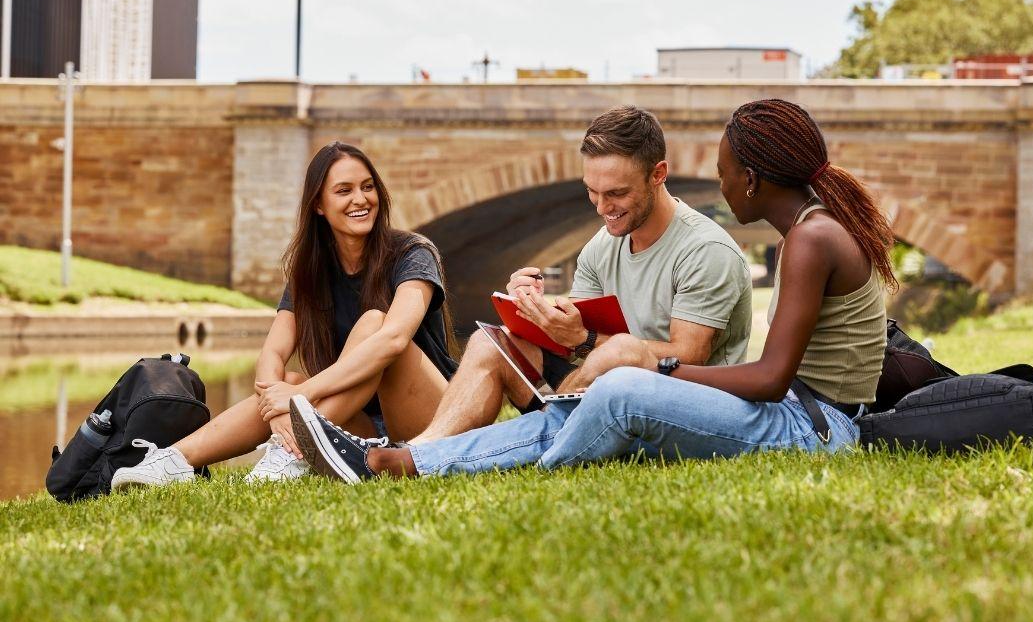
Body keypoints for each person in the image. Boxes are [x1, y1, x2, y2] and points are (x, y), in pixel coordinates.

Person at [289, 98, 893, 481]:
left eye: (725, 170)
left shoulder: (807, 239)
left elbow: (771, 379)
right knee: (594, 381)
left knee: (619, 388)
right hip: (798, 416)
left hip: (815, 428)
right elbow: (770, 378)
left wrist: (645, 368)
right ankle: (406, 459)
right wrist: (577, 337)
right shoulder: (810, 232)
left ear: (753, 179)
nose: (720, 180)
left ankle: (431, 462)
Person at [404, 104, 753, 452]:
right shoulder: (600, 247)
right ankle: (419, 450)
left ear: (658, 174)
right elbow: (579, 344)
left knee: (618, 352)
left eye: (616, 193)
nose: (601, 208)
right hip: (600, 387)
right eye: (592, 191)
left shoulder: (705, 249)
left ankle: (550, 424)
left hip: (681, 410)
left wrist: (583, 338)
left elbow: (687, 355)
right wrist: (534, 311)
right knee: (489, 342)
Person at [111, 142, 457, 488]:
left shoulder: (412, 252)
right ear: (319, 205)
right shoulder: (311, 272)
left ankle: (293, 452)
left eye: (368, 187)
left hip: (433, 421)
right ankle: (171, 461)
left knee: (373, 325)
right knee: (285, 380)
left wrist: (302, 394)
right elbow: (273, 353)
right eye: (344, 190)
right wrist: (277, 404)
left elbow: (394, 340)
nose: (361, 199)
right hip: (361, 426)